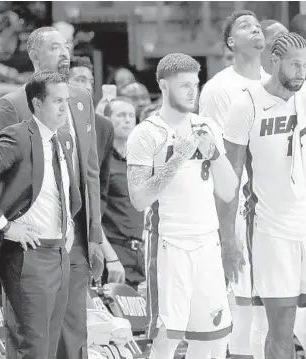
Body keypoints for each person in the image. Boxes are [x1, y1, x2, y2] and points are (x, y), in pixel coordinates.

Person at [221, 32, 306, 359]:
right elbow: (229, 178)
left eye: (305, 64)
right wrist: (227, 238)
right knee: (280, 327)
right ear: (274, 61)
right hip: (272, 230)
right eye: (294, 64)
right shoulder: (247, 104)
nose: (301, 71)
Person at [0, 26, 103, 359]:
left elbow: (88, 171)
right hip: (30, 244)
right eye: (54, 47)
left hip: (72, 239)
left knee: (72, 332)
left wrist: (93, 234)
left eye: (66, 46)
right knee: (32, 340)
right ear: (34, 55)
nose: (64, 52)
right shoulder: (11, 105)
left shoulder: (80, 98)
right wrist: (4, 227)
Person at [126, 53, 237, 359]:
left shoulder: (207, 126)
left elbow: (228, 192)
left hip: (207, 240)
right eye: (184, 85)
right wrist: (176, 159)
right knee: (167, 337)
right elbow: (139, 198)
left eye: (195, 84)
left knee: (211, 338)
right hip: (169, 242)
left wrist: (214, 154)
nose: (192, 92)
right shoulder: (146, 133)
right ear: (163, 85)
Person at [0, 71, 75, 358]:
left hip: (59, 252)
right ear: (36, 102)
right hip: (28, 255)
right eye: (57, 101)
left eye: (66, 101)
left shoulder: (64, 140)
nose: (64, 108)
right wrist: (3, 225)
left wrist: (68, 228)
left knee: (49, 346)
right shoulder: (20, 135)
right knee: (30, 348)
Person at [199, 10, 269, 359]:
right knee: (241, 306)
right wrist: (225, 228)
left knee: (268, 308)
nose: (255, 27)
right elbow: (216, 159)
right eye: (245, 25)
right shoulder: (218, 89)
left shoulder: (276, 84)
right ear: (230, 42)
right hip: (238, 205)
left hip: (274, 206)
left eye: (257, 24)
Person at [68, 56, 126, 284]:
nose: (87, 86)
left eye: (90, 81)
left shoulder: (103, 126)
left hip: (88, 228)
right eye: (80, 79)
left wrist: (94, 230)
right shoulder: (52, 120)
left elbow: (100, 187)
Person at [101, 97, 145, 289]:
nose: (127, 120)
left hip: (144, 254)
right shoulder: (99, 159)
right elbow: (92, 214)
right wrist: (110, 258)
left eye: (131, 115)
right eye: (121, 115)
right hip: (115, 253)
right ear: (107, 119)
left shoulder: (143, 158)